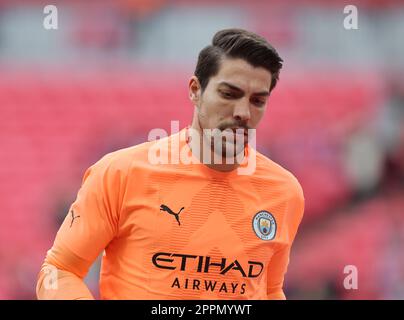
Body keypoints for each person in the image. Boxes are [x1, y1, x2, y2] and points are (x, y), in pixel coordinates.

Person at [36, 28, 304, 300]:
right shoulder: (121, 174)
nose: (243, 113)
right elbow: (60, 271)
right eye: (228, 94)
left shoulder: (284, 192)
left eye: (258, 101)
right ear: (195, 90)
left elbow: (269, 290)